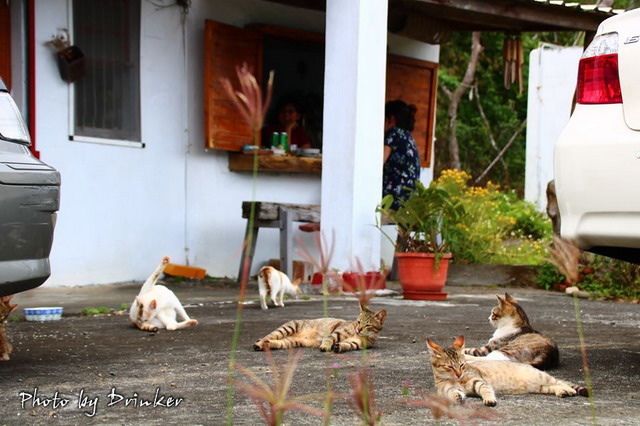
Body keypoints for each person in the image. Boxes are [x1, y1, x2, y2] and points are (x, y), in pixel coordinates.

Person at [383, 100, 421, 210]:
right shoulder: (408, 138)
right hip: (406, 205)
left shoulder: (394, 134)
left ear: (391, 119)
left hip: (393, 203)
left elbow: (377, 163)